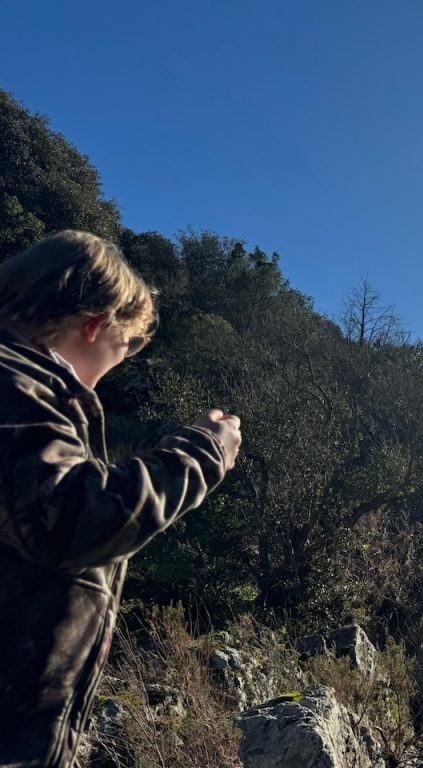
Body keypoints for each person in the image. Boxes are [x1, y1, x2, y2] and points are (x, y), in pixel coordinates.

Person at [0, 231, 242, 767]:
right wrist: (203, 452)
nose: (124, 359)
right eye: (128, 344)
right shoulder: (13, 388)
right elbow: (72, 520)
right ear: (94, 325)